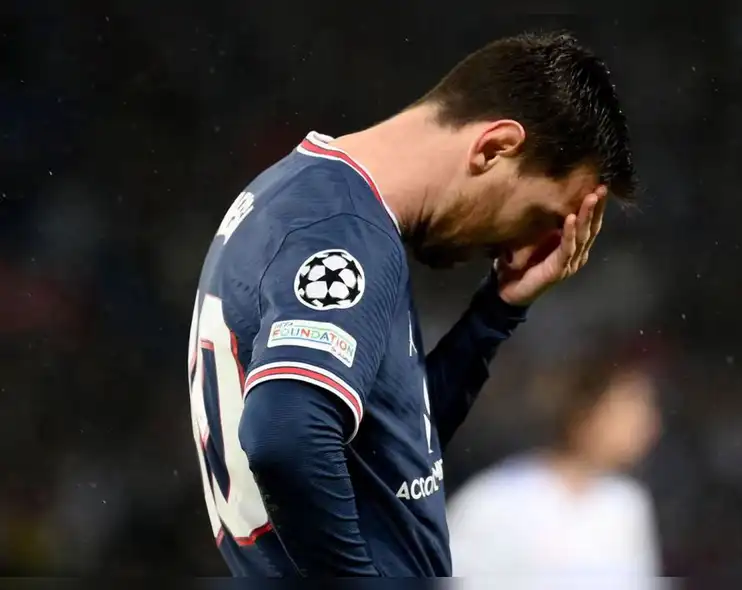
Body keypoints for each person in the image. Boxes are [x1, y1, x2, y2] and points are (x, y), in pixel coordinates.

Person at [185, 32, 636, 577]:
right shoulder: (345, 229)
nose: (516, 244)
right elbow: (286, 433)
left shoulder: (311, 200)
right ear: (493, 148)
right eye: (538, 216)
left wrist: (495, 312)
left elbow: (390, 460)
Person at [447, 350, 663, 584]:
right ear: (585, 410)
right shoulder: (498, 498)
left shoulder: (626, 505)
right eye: (630, 408)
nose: (646, 424)